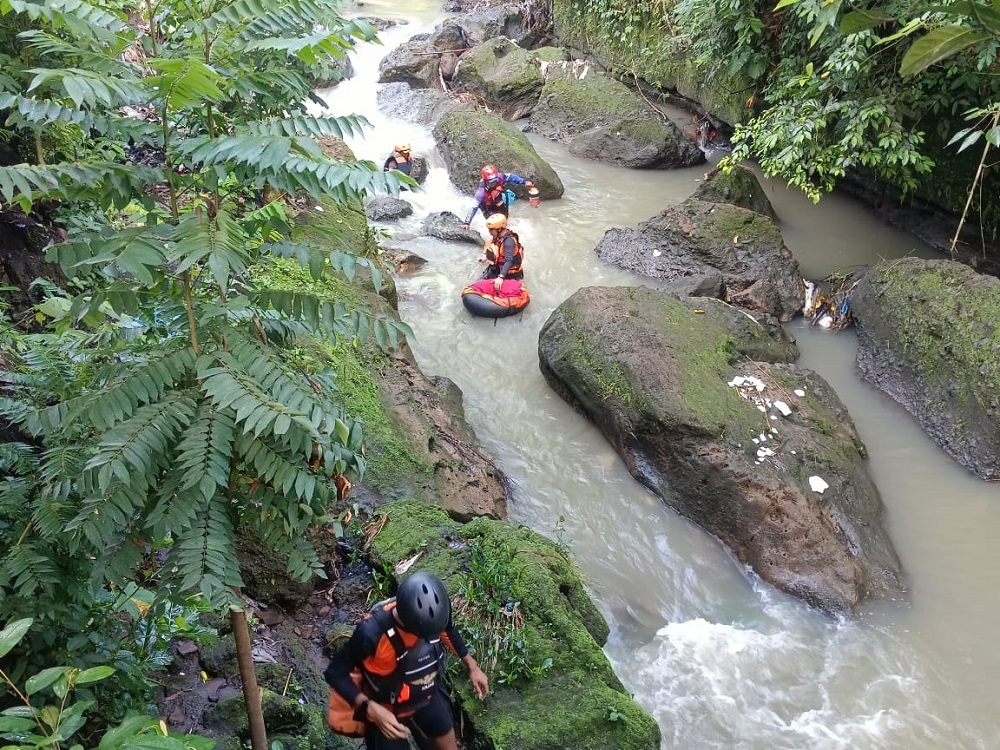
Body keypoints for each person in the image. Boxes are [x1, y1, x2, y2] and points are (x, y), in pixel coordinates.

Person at [324, 572, 489, 750]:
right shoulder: (371, 633)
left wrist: (472, 666)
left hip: (425, 692)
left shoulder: (438, 610)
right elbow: (335, 673)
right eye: (422, 634)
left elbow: (448, 631)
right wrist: (369, 707)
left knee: (447, 743)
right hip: (385, 708)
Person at [461, 164, 534, 229]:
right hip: (486, 206)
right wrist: (467, 223)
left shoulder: (500, 177)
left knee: (504, 218)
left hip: (497, 199)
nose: (494, 183)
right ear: (486, 181)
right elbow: (473, 208)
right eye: (491, 182)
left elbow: (512, 177)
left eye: (495, 180)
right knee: (495, 223)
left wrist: (524, 181)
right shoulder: (480, 193)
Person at [480, 213, 524, 293]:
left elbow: (509, 261)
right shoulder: (497, 237)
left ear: (499, 229)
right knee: (481, 283)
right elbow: (495, 249)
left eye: (491, 230)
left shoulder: (509, 242)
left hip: (510, 273)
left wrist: (501, 277)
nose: (489, 232)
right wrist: (486, 257)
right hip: (498, 268)